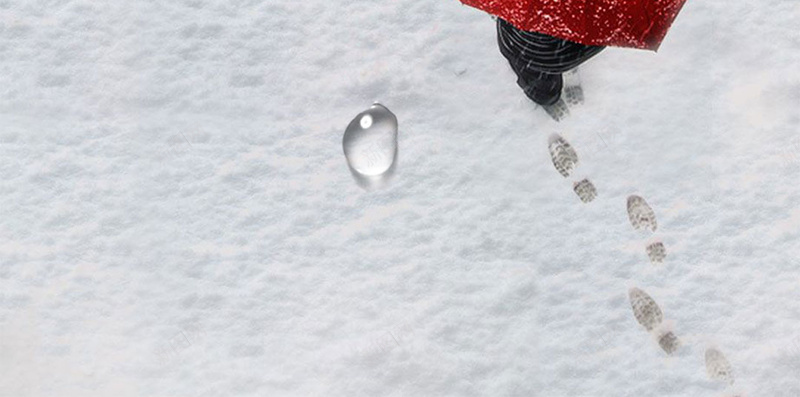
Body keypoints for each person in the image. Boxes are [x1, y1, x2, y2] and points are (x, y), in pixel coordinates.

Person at [496, 18, 605, 106]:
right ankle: (545, 94)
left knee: (539, 84)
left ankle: (545, 95)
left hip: (514, 35)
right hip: (554, 50)